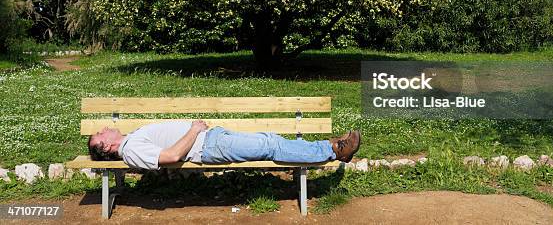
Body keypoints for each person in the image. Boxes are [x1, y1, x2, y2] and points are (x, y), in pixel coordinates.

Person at [88, 120, 361, 170]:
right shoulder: (131, 149)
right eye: (99, 135)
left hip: (212, 140)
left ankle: (329, 146)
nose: (102, 129)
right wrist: (194, 130)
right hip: (209, 147)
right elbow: (171, 156)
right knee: (271, 144)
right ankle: (334, 150)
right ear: (107, 148)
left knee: (270, 141)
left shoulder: (130, 141)